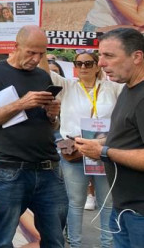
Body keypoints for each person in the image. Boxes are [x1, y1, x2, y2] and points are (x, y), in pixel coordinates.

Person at [0, 25, 67, 247]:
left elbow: (51, 125)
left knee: (55, 239)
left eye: (41, 53)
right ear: (15, 47)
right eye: (31, 52)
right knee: (2, 239)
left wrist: (52, 116)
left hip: (48, 168)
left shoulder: (42, 75)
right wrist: (21, 104)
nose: (36, 59)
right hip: (12, 169)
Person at [43, 51, 120, 248]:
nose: (83, 67)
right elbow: (45, 71)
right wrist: (41, 49)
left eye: (88, 63)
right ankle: (75, 244)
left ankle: (107, 244)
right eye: (79, 64)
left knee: (107, 202)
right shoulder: (68, 86)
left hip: (103, 151)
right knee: (75, 201)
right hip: (74, 151)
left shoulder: (112, 87)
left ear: (97, 65)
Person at [76, 28, 144, 246]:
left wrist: (104, 152)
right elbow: (129, 135)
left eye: (109, 55)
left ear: (137, 56)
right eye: (100, 55)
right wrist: (99, 143)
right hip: (124, 208)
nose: (101, 63)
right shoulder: (128, 88)